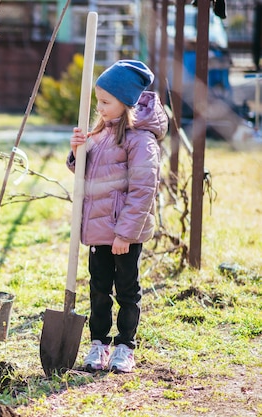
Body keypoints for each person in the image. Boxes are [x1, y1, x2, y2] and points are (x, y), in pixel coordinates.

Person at [66, 60, 168, 373]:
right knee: (98, 288)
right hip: (98, 230)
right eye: (98, 101)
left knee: (126, 290)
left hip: (125, 235)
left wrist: (124, 234)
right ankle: (99, 343)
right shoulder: (102, 132)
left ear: (127, 104)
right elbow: (83, 172)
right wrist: (77, 150)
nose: (99, 107)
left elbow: (142, 191)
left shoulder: (142, 141)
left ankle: (125, 345)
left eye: (106, 102)